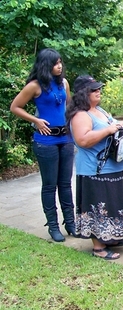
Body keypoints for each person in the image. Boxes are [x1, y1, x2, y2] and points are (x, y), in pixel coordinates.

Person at [67, 75, 123, 260]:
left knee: (113, 202)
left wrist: (118, 127)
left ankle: (111, 237)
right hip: (95, 170)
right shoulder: (81, 115)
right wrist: (108, 130)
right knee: (99, 205)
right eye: (94, 90)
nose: (98, 92)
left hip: (114, 166)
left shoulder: (100, 110)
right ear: (84, 93)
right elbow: (82, 140)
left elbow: (110, 126)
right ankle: (98, 246)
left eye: (99, 88)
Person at [10, 48, 75, 242]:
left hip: (65, 139)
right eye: (55, 63)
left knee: (65, 184)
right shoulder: (34, 86)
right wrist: (36, 120)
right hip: (46, 141)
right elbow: (15, 107)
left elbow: (70, 107)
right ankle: (53, 226)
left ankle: (70, 223)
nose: (60, 66)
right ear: (46, 65)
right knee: (49, 185)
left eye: (60, 62)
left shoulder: (64, 83)